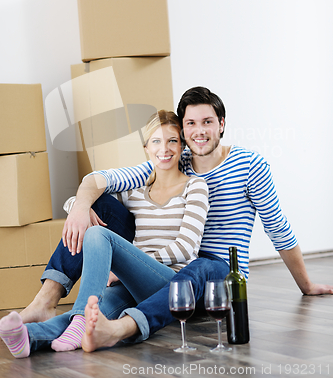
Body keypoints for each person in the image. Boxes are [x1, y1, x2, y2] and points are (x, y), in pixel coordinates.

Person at [16, 87, 333, 337]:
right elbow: (106, 179)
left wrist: (305, 285)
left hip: (216, 271)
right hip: (169, 269)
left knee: (202, 267)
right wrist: (81, 205)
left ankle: (124, 328)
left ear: (221, 125)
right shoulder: (174, 161)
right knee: (101, 204)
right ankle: (42, 311)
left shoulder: (250, 165)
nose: (199, 131)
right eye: (191, 123)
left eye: (208, 122)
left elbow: (277, 226)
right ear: (183, 130)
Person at [0, 110, 209, 358]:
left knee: (99, 235)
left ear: (182, 145)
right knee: (93, 315)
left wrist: (130, 264)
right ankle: (30, 337)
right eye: (156, 141)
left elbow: (187, 247)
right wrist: (81, 207)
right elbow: (76, 203)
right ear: (146, 148)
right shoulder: (136, 192)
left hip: (170, 283)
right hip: (131, 284)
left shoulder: (195, 186)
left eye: (172, 140)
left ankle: (74, 317)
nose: (164, 148)